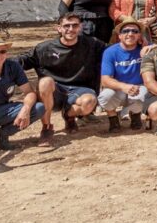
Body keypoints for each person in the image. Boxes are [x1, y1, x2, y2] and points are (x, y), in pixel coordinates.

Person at [18, 13, 106, 145]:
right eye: (66, 26)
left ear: (80, 27)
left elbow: (115, 52)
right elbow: (20, 62)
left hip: (80, 89)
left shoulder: (93, 44)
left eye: (75, 25)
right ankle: (46, 128)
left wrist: (137, 47)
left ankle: (69, 115)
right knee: (45, 82)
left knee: (89, 102)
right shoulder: (44, 48)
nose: (71, 29)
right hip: (54, 91)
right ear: (59, 28)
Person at [98, 17, 147, 132]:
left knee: (143, 94)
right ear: (119, 35)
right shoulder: (110, 52)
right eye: (126, 31)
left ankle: (135, 115)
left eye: (135, 31)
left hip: (137, 87)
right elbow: (105, 80)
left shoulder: (145, 49)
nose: (130, 34)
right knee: (105, 96)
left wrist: (150, 46)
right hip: (118, 89)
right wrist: (124, 86)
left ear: (139, 35)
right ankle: (113, 118)